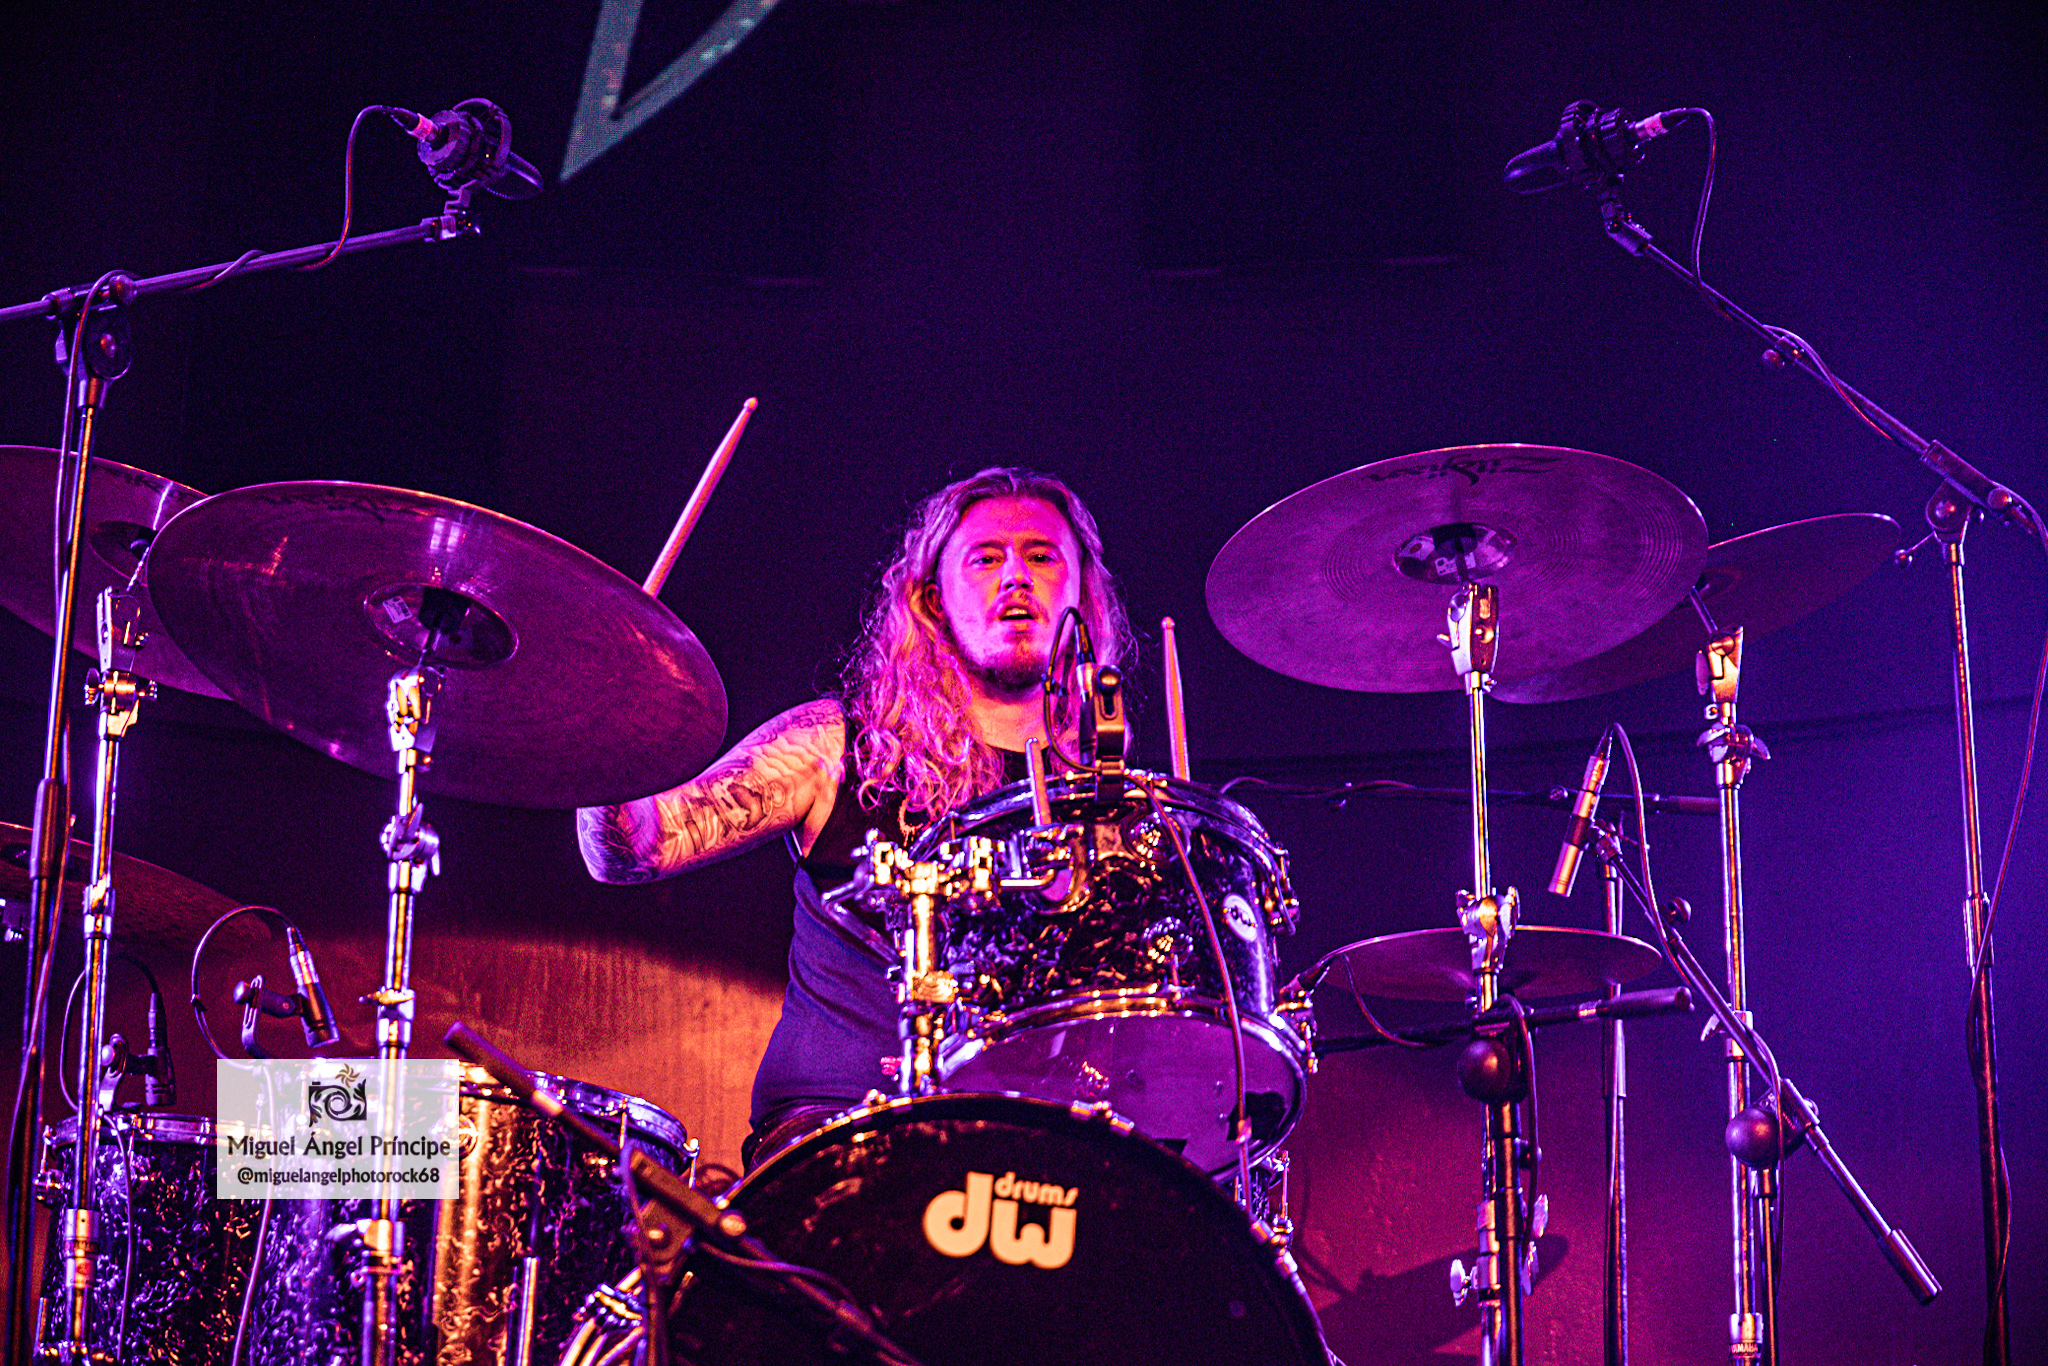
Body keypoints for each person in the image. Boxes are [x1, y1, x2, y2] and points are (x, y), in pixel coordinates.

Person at [575, 467, 1132, 1166]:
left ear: (1084, 592)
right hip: (836, 1141)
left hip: (1031, 1149)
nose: (1016, 577)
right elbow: (633, 848)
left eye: (1042, 556)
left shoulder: (1118, 807)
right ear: (932, 599)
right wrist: (599, 721)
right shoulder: (837, 749)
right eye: (985, 558)